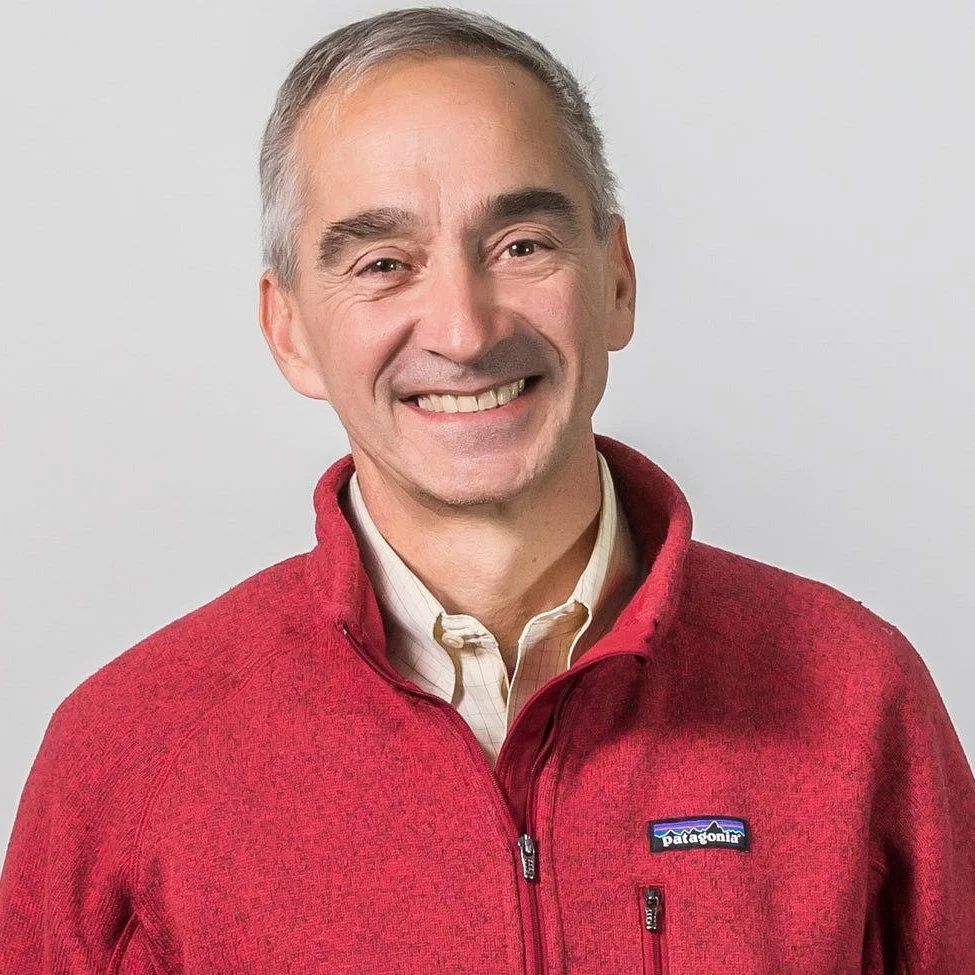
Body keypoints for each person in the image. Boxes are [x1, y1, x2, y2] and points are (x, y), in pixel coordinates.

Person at [1, 6, 973, 972]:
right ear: (289, 328)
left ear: (619, 280)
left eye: (521, 244)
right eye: (383, 264)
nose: (463, 331)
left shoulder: (856, 696)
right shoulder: (125, 754)